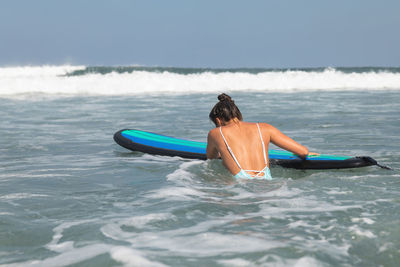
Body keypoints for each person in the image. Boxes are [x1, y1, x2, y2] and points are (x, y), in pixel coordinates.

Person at [206, 93, 317, 180]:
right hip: (265, 182)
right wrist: (305, 154)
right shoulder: (265, 128)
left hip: (240, 186)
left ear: (218, 120)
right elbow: (303, 152)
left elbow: (211, 158)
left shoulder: (216, 133)